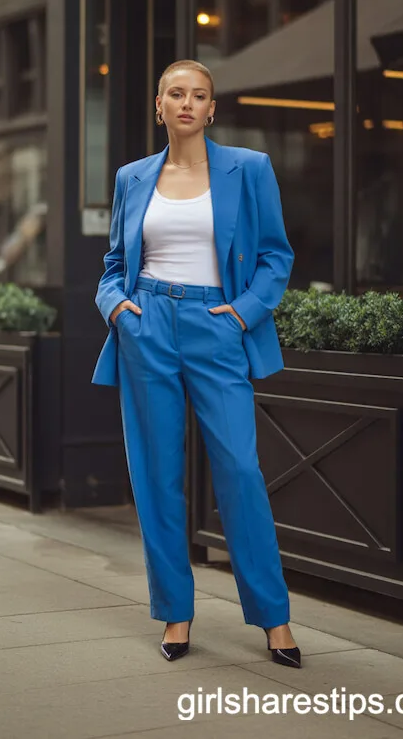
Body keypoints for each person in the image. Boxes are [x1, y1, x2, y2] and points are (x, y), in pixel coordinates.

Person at [92, 59, 301, 668]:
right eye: (177, 93)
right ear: (158, 105)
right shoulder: (132, 177)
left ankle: (275, 618)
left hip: (217, 325)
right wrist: (118, 309)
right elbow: (114, 264)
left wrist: (242, 314)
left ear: (213, 109)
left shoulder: (249, 169)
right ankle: (175, 613)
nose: (188, 103)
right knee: (155, 475)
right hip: (147, 324)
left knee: (240, 469)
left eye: (200, 95)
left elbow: (276, 256)